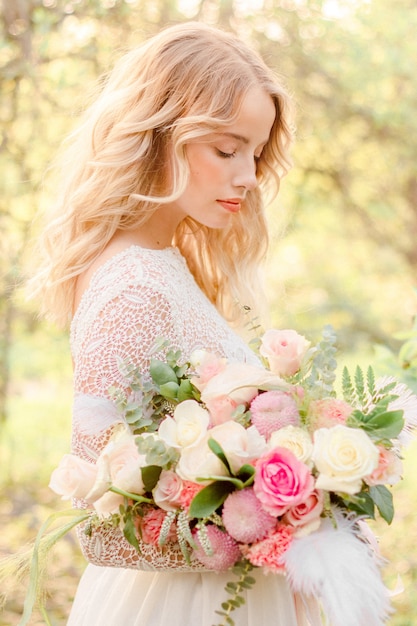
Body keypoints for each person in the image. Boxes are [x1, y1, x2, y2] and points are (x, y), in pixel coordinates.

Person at [31, 21, 319, 626]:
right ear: (163, 133)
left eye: (256, 152)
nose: (248, 176)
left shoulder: (166, 263)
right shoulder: (132, 288)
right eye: (226, 148)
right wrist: (277, 513)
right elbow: (103, 528)